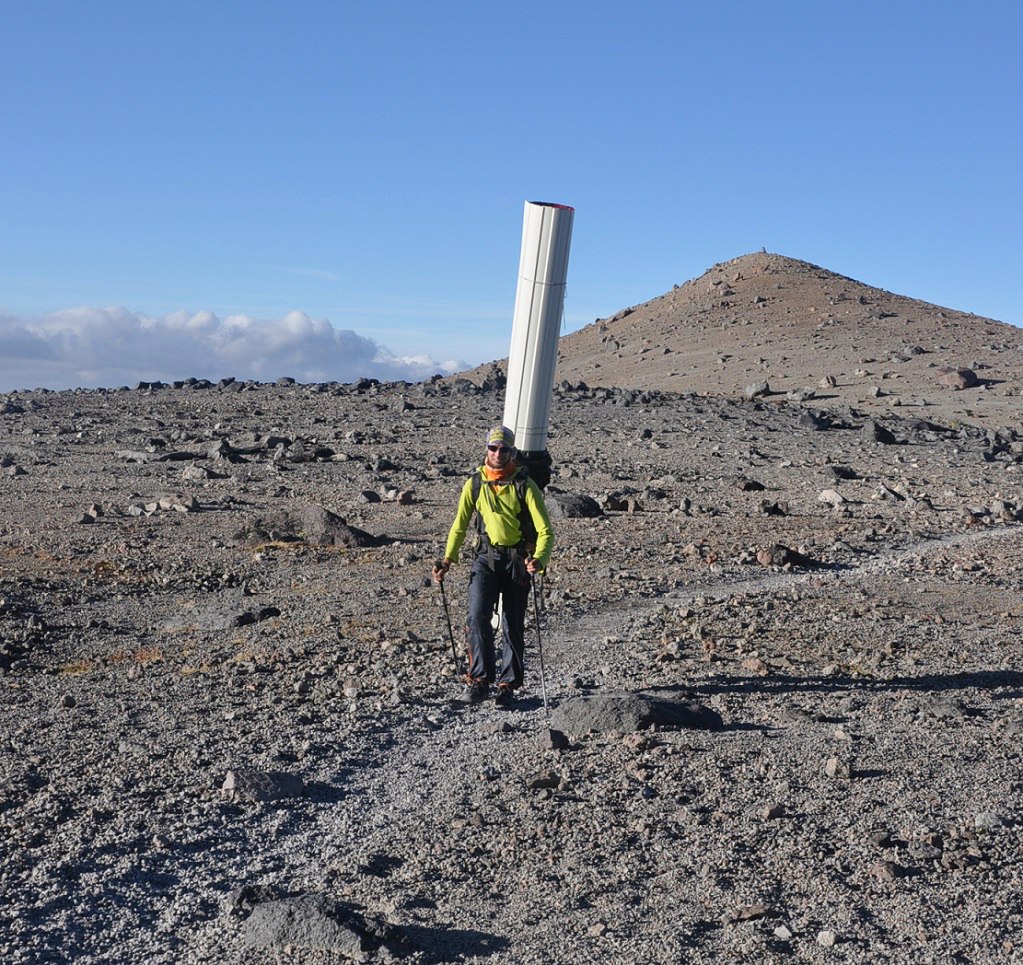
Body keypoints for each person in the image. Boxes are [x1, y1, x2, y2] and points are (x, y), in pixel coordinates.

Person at [433, 425, 553, 707]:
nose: (498, 453)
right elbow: (459, 526)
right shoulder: (475, 484)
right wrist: (447, 560)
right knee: (476, 617)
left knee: (512, 624)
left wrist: (539, 560)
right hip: (484, 559)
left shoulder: (525, 485)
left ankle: (507, 686)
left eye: (504, 449)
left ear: (512, 452)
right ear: (486, 448)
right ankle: (479, 681)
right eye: (493, 448)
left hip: (517, 563)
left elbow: (545, 530)